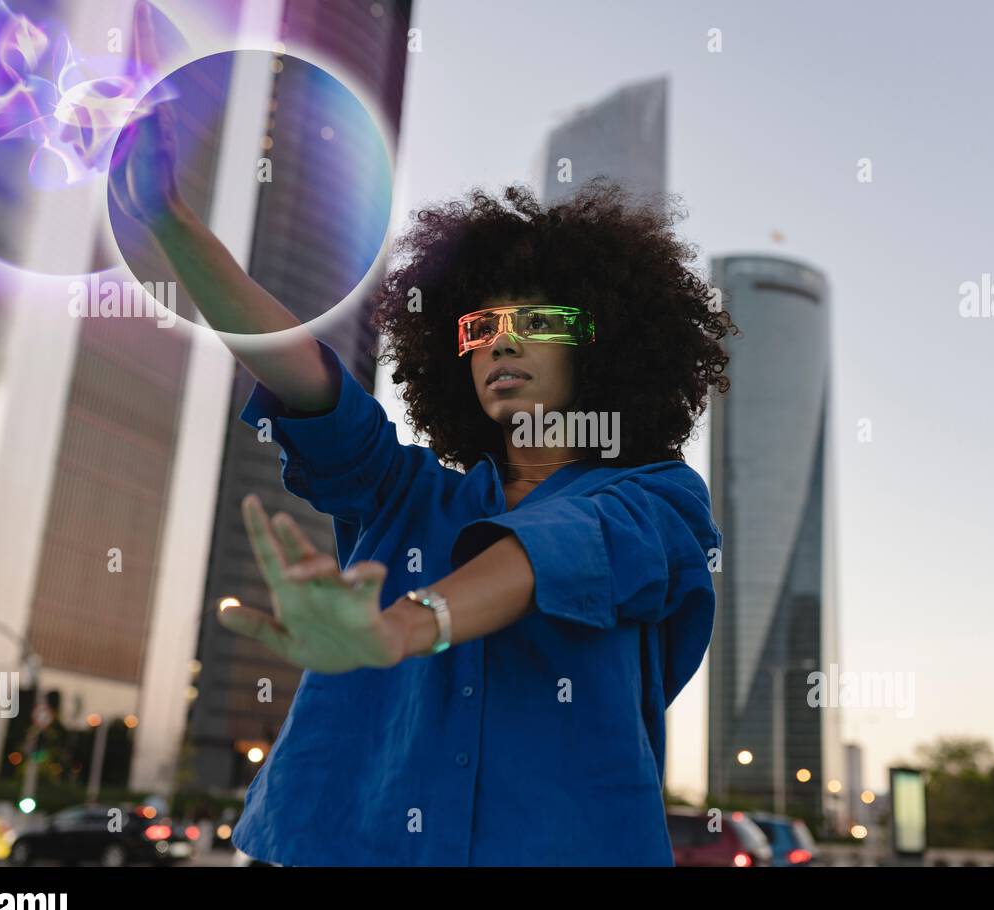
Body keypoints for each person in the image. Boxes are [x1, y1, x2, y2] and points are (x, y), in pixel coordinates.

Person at [110, 2, 736, 866]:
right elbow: (303, 375)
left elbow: (563, 548)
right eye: (479, 329)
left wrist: (403, 626)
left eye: (538, 321)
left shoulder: (659, 501)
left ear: (610, 343)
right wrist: (173, 223)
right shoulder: (406, 495)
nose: (501, 342)